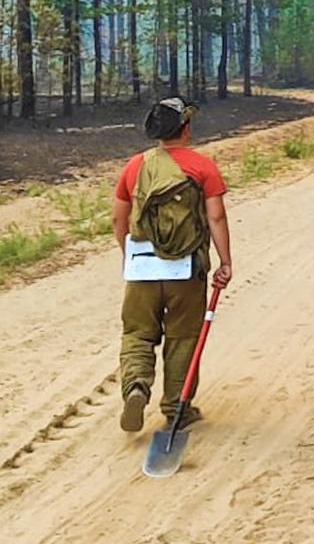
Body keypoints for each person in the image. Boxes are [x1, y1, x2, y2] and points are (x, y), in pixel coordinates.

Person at [112, 97, 233, 433]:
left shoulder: (135, 166)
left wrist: (129, 256)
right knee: (182, 337)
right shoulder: (203, 167)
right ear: (186, 130)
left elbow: (119, 219)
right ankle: (177, 407)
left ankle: (136, 386)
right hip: (185, 269)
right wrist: (225, 262)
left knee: (138, 333)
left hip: (142, 269)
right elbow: (216, 217)